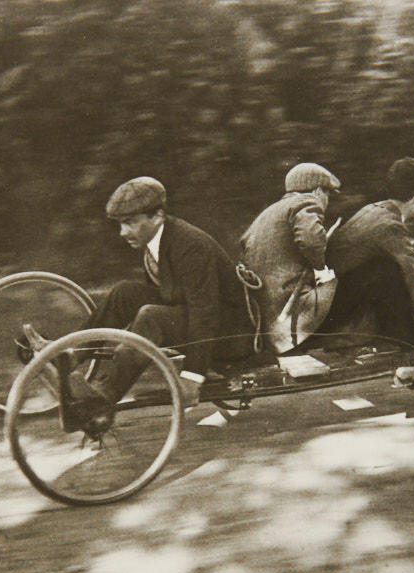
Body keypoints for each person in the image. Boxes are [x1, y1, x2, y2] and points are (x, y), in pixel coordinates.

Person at [62, 176, 255, 428]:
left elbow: (205, 312)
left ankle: (103, 396)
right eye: (121, 224)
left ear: (158, 215)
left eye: (130, 223)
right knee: (124, 292)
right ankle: (67, 356)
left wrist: (193, 376)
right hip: (200, 321)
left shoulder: (190, 245)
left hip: (229, 336)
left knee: (150, 316)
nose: (123, 233)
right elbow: (166, 294)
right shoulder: (156, 240)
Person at [324, 157, 414, 346]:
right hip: (337, 318)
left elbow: (407, 272)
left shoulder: (372, 210)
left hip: (327, 303)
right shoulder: (390, 227)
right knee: (390, 275)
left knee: (391, 273)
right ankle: (408, 352)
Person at [239, 163, 340, 353]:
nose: (327, 201)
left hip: (263, 313)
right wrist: (321, 270)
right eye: (328, 194)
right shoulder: (307, 202)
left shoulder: (270, 212)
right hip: (292, 308)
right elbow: (310, 241)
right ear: (318, 190)